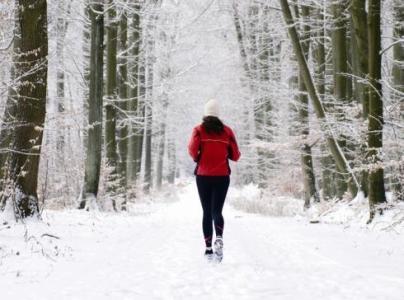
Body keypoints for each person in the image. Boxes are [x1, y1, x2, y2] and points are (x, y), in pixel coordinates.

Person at [188, 99, 240, 261]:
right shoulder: (227, 131)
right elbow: (236, 155)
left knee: (206, 212)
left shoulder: (198, 130)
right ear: (218, 114)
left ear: (205, 113)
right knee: (217, 211)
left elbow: (192, 150)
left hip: (203, 176)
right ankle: (219, 237)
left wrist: (199, 158)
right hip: (222, 176)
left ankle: (209, 249)